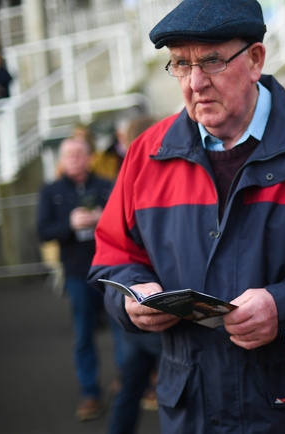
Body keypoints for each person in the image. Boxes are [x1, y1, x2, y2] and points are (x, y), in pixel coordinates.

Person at [87, 0, 285, 434]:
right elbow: (111, 258)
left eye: (212, 61)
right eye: (181, 63)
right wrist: (129, 299)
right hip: (194, 410)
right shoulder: (147, 153)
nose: (194, 82)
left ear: (256, 59)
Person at [37, 136, 125, 422]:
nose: (74, 159)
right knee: (83, 335)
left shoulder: (105, 185)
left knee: (123, 330)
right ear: (62, 160)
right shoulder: (50, 191)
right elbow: (42, 231)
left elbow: (125, 221)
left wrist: (104, 218)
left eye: (79, 154)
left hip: (110, 270)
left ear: (88, 157)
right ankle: (90, 393)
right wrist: (69, 225)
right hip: (77, 273)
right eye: (69, 155)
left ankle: (128, 384)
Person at [106, 115, 161, 434]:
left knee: (129, 389)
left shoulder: (127, 180)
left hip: (136, 304)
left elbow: (114, 253)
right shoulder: (150, 182)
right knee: (178, 391)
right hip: (158, 309)